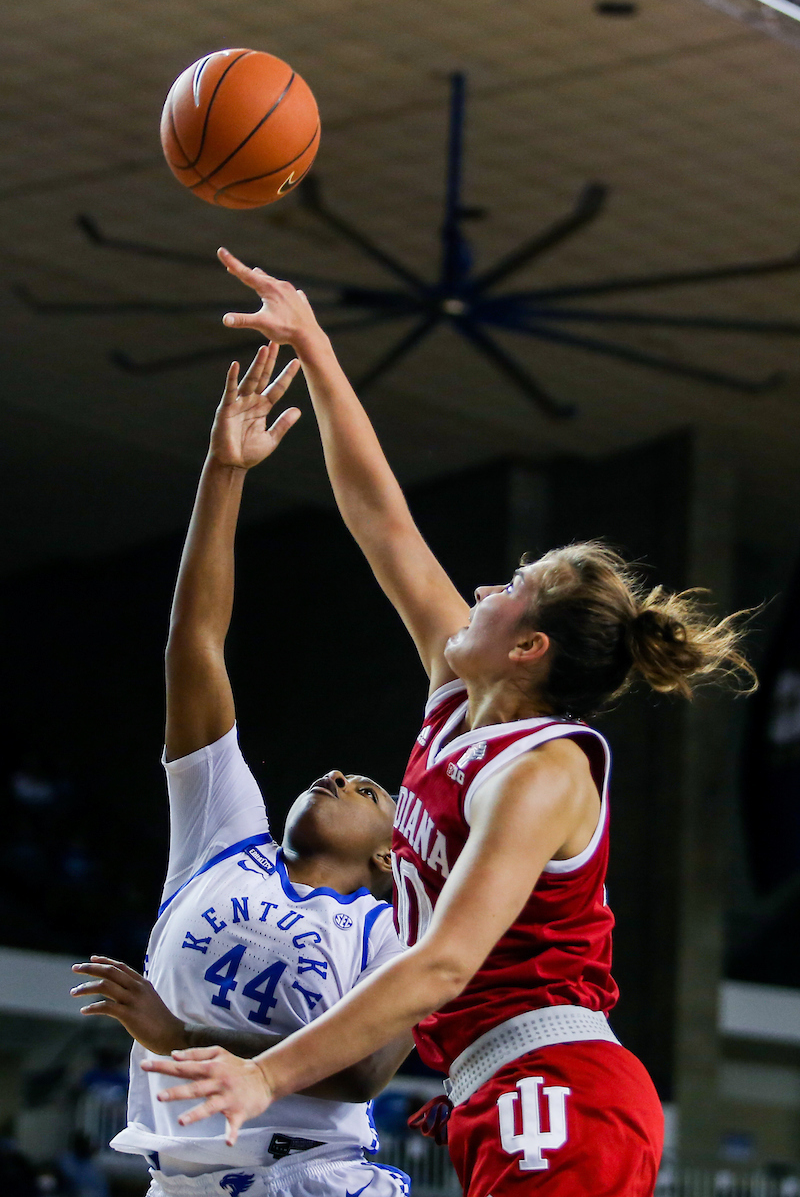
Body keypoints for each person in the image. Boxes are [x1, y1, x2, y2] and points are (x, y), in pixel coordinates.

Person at [144, 253, 758, 1197]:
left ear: (529, 648)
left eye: (510, 587)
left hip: (557, 1084)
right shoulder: (458, 692)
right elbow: (379, 517)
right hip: (495, 1087)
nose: (481, 588)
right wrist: (315, 346)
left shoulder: (544, 770)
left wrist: (264, 1075)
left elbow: (443, 966)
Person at [70, 345, 412, 1197]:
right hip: (181, 1181)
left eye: (369, 790)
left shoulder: (396, 925)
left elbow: (364, 1070)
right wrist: (224, 472)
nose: (340, 774)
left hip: (316, 1178)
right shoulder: (223, 842)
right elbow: (196, 645)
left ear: (391, 854)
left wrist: (178, 1036)